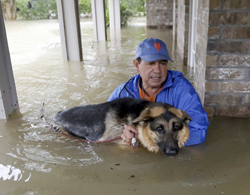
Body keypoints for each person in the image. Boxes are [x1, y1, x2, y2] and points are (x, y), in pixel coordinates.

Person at [108, 38, 209, 147]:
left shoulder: (181, 89)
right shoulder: (123, 93)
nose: (157, 70)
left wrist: (148, 140)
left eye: (162, 63)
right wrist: (123, 137)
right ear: (137, 65)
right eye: (151, 63)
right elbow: (104, 128)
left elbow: (199, 131)